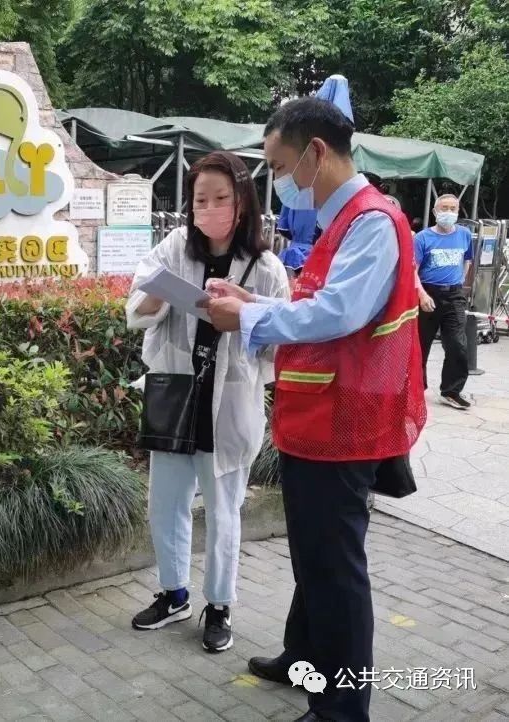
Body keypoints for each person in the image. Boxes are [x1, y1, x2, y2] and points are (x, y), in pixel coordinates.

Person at [204, 98, 426, 722]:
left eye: (279, 167)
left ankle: (343, 709)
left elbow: (339, 314)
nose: (278, 182)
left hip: (343, 425)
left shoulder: (372, 221)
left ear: (316, 153)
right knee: (314, 556)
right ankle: (304, 656)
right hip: (318, 420)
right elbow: (316, 304)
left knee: (335, 572)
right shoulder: (345, 222)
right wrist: (252, 301)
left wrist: (247, 318)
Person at [126, 151, 289, 653]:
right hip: (177, 395)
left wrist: (244, 311)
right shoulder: (176, 246)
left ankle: (219, 604)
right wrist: (159, 295)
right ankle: (174, 593)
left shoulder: (266, 267)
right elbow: (137, 307)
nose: (210, 208)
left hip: (228, 404)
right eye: (201, 199)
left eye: (221, 198)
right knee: (165, 502)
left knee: (223, 511)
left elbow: (281, 342)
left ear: (242, 203)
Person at [415, 194, 474, 409]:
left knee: (458, 344)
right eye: (444, 208)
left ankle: (451, 391)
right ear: (435, 212)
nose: (448, 212)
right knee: (420, 345)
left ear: (458, 211)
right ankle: (416, 389)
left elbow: (467, 260)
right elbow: (412, 270)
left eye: (452, 208)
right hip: (428, 293)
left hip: (454, 295)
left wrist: (460, 281)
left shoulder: (465, 234)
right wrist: (422, 294)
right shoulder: (422, 238)